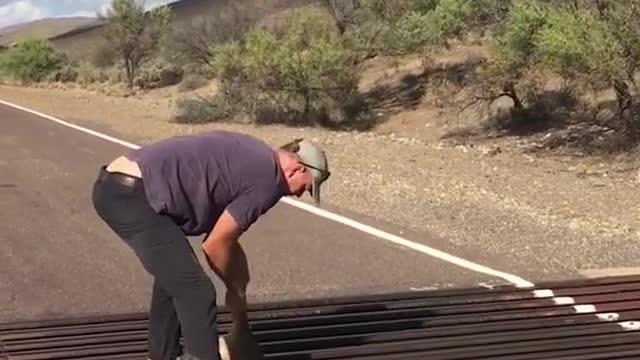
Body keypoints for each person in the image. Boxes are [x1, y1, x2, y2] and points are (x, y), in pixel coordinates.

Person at [91, 130, 330, 360]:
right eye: (307, 186)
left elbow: (226, 237)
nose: (300, 194)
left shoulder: (254, 153)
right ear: (298, 169)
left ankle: (161, 356)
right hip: (133, 196)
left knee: (177, 278)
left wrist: (238, 287)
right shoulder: (269, 180)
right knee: (197, 291)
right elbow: (215, 244)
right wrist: (231, 286)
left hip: (117, 186)